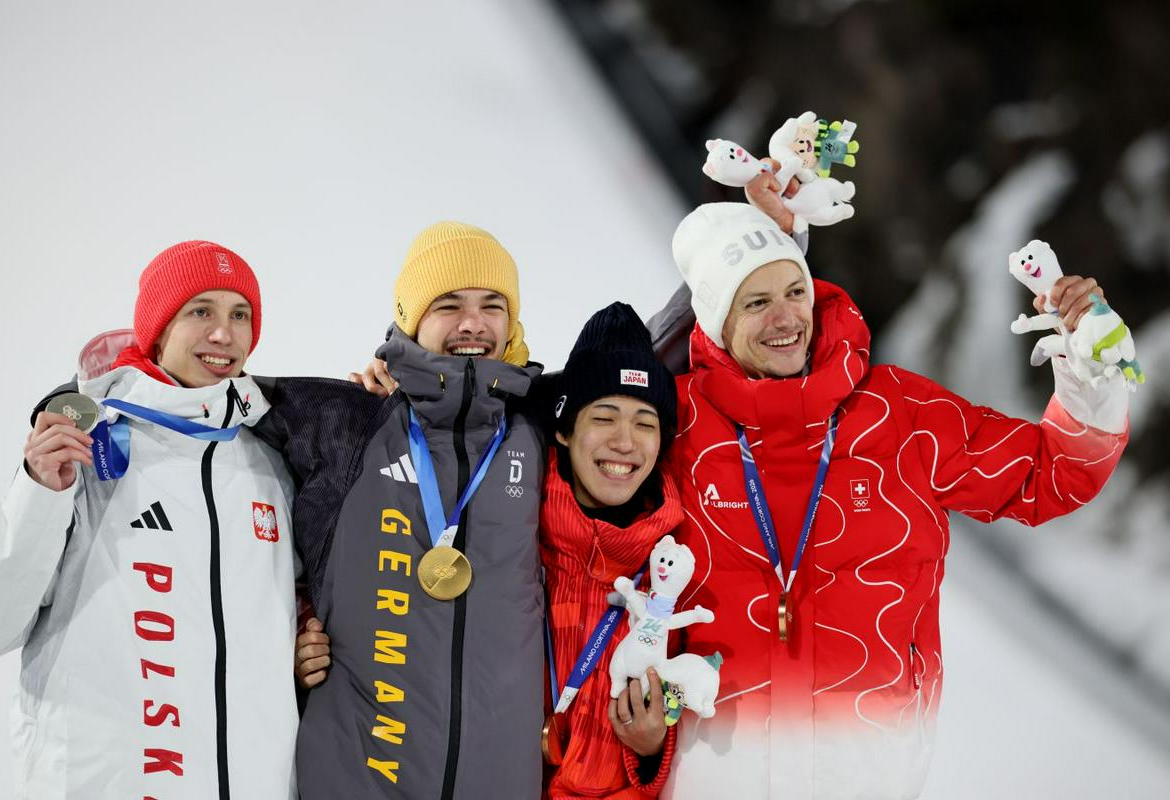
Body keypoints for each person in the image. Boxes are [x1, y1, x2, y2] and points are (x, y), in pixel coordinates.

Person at [660, 201, 1130, 799]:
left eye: (795, 291)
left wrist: (1089, 367)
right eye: (755, 302)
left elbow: (1052, 472)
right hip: (714, 777)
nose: (785, 318)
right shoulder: (673, 426)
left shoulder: (899, 415)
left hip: (864, 772)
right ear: (715, 320)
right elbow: (578, 445)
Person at [0, 241, 299, 799]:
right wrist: (39, 493)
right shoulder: (85, 447)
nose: (224, 334)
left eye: (238, 314)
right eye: (201, 311)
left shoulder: (268, 462)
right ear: (158, 326)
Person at [259, 221, 546, 798]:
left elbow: (650, 367)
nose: (474, 323)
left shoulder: (541, 427)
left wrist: (770, 232)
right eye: (449, 305)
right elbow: (194, 398)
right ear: (412, 319)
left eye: (494, 305)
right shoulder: (348, 419)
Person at [540, 302, 683, 798]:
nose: (625, 442)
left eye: (645, 423)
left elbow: (684, 701)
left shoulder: (675, 568)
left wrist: (650, 748)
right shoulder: (512, 537)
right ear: (563, 429)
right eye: (604, 417)